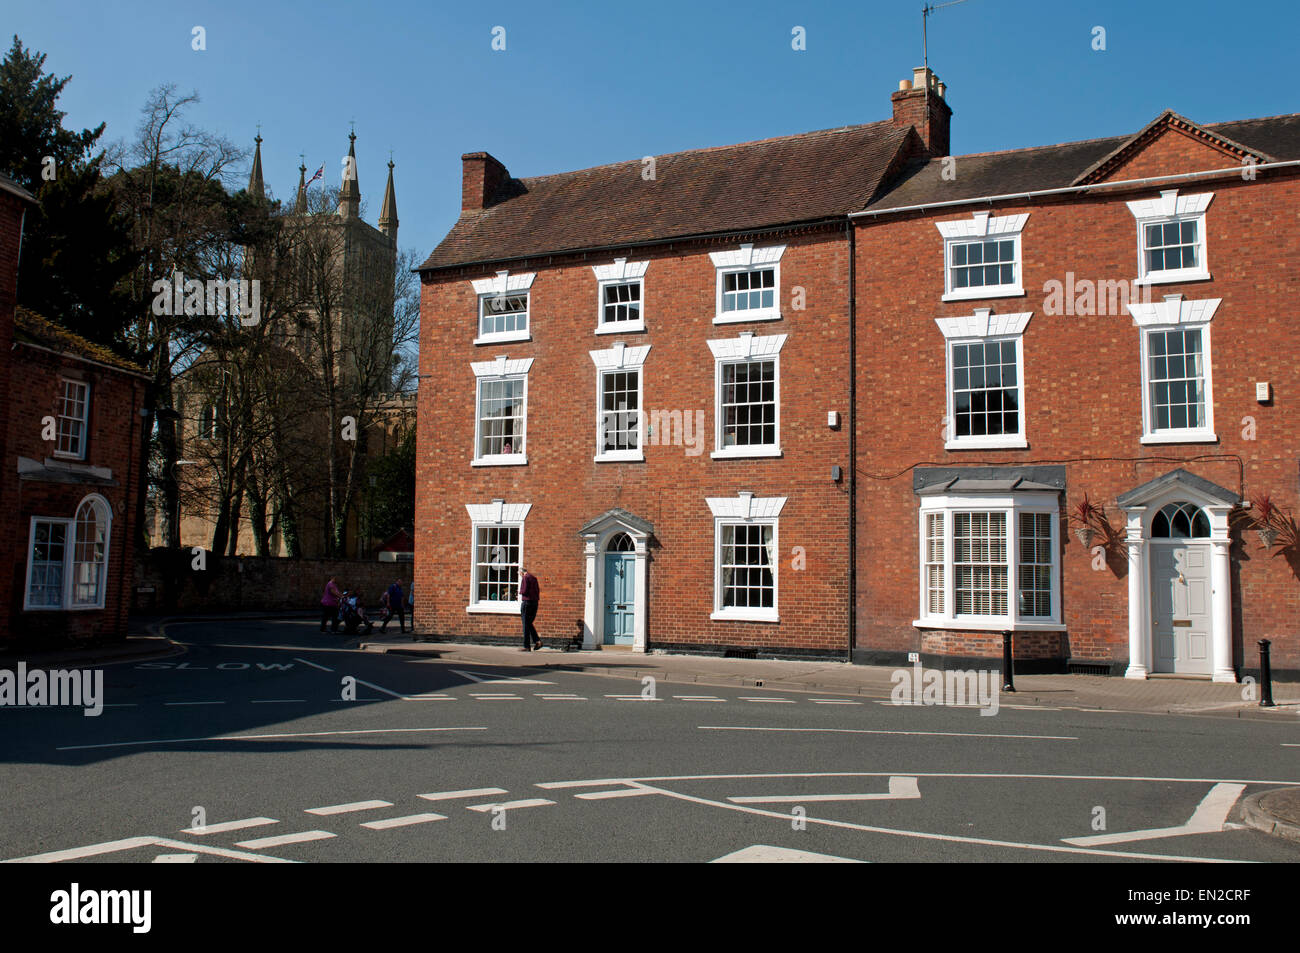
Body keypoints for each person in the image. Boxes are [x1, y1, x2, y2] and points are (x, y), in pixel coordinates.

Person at [519, 567, 541, 651]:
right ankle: (537, 641)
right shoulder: (534, 578)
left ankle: (527, 646)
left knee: (525, 624)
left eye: (519, 574)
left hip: (527, 603)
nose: (520, 575)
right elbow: (537, 590)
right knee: (528, 624)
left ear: (521, 572)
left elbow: (524, 591)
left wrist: (519, 592)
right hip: (534, 603)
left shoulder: (525, 578)